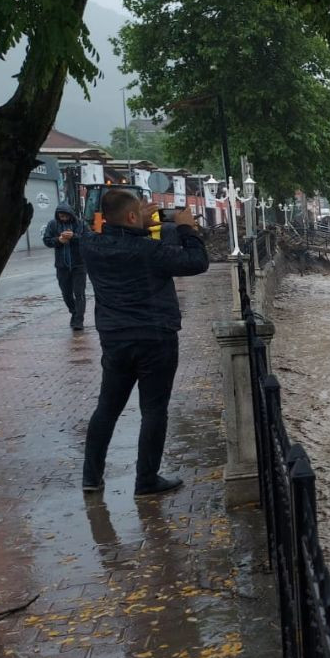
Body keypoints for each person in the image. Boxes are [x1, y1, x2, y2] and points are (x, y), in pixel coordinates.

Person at [79, 189, 210, 496]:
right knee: (154, 410)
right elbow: (197, 261)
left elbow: (116, 236)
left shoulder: (90, 246)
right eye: (139, 211)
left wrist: (139, 222)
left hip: (115, 339)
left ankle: (91, 477)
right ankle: (146, 480)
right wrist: (186, 228)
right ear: (131, 216)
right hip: (155, 338)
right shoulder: (150, 251)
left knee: (107, 408)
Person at [41, 203, 90, 330]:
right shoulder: (53, 224)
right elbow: (46, 240)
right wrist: (58, 240)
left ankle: (79, 321)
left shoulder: (80, 224)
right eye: (60, 216)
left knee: (79, 293)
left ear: (70, 214)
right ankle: (74, 312)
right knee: (66, 294)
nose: (63, 218)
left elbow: (88, 239)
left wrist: (73, 236)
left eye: (65, 216)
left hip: (79, 265)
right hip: (62, 266)